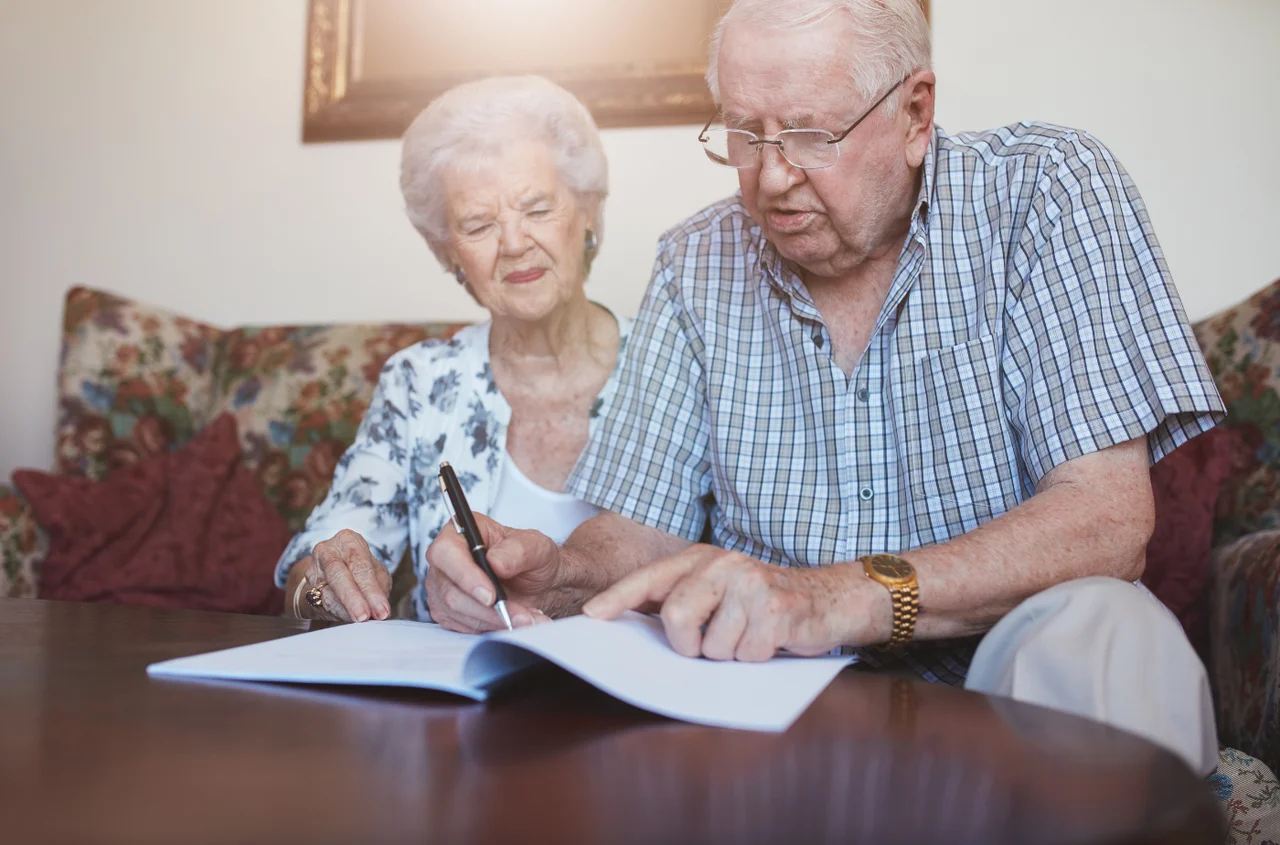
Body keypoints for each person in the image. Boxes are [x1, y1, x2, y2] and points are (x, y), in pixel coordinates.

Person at [426, 0, 1223, 775]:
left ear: (915, 114)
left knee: (1107, 625)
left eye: (810, 133)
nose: (771, 177)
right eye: (744, 133)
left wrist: (840, 597)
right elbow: (640, 530)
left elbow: (1106, 521)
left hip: (1006, 677)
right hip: (768, 696)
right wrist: (553, 572)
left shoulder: (1044, 191)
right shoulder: (694, 263)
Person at [275, 75, 631, 626]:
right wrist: (325, 586)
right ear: (448, 254)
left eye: (536, 208)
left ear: (588, 213)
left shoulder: (673, 360)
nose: (513, 243)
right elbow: (315, 567)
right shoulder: (418, 382)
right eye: (478, 224)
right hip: (464, 697)